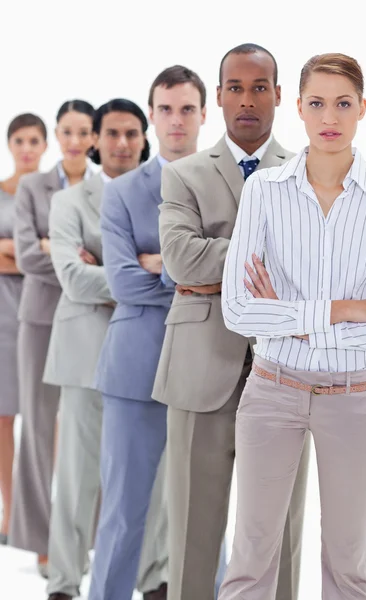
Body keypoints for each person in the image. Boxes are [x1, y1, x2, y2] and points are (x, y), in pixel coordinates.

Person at [219, 52, 366, 600]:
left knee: (349, 565)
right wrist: (345, 308)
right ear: (298, 107)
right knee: (251, 558)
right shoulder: (265, 190)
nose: (329, 116)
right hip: (273, 391)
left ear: (363, 109)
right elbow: (239, 310)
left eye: (343, 103)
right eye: (316, 102)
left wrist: (291, 320)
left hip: (354, 396)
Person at [153, 43, 309, 600]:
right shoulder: (185, 173)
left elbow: (315, 269)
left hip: (288, 371)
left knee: (282, 534)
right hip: (200, 371)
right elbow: (178, 258)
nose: (247, 99)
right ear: (218, 97)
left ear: (279, 97)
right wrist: (266, 255)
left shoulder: (306, 172)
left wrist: (215, 261)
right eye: (236, 88)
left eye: (259, 87)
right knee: (193, 532)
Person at [88, 65, 206, 600]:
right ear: (152, 115)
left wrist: (160, 263)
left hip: (209, 370)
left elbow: (240, 278)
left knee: (203, 519)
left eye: (186, 108)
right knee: (122, 515)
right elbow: (123, 282)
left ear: (204, 114)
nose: (176, 120)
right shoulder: (121, 192)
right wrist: (195, 275)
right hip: (134, 369)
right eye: (165, 109)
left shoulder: (233, 185)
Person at [43, 98, 168, 600]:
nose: (122, 143)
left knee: (151, 478)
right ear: (94, 140)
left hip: (146, 353)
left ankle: (153, 576)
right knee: (78, 478)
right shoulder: (69, 202)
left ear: (145, 138)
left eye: (132, 133)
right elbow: (73, 278)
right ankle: (64, 582)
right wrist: (134, 269)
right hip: (84, 353)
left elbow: (181, 272)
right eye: (112, 133)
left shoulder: (166, 197)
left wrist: (122, 267)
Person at [9, 99, 95, 577]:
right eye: (68, 131)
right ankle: (43, 541)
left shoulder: (106, 186)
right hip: (40, 320)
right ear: (56, 137)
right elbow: (25, 256)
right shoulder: (34, 188)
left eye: (85, 131)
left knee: (89, 433)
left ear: (95, 137)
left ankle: (85, 536)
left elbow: (108, 253)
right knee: (39, 431)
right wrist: (72, 256)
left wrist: (53, 246)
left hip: (93, 319)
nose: (76, 140)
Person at [0, 113, 48, 545]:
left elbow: (72, 251)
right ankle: (11, 515)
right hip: (1, 313)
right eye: (20, 140)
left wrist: (20, 251)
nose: (27, 148)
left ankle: (40, 520)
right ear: (10, 144)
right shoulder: (2, 193)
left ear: (45, 144)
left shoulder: (54, 194)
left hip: (42, 309)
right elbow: (39, 253)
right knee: (3, 417)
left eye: (35, 140)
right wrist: (31, 250)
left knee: (43, 417)